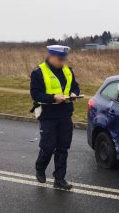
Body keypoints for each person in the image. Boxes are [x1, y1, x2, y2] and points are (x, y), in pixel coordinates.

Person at [30, 45, 80, 190]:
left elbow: (75, 86)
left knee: (63, 148)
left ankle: (59, 179)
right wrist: (53, 98)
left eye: (64, 59)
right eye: (60, 59)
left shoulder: (68, 71)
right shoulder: (38, 72)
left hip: (65, 114)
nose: (62, 62)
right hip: (48, 115)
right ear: (50, 56)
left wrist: (74, 94)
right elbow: (36, 95)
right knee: (48, 146)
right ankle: (40, 168)